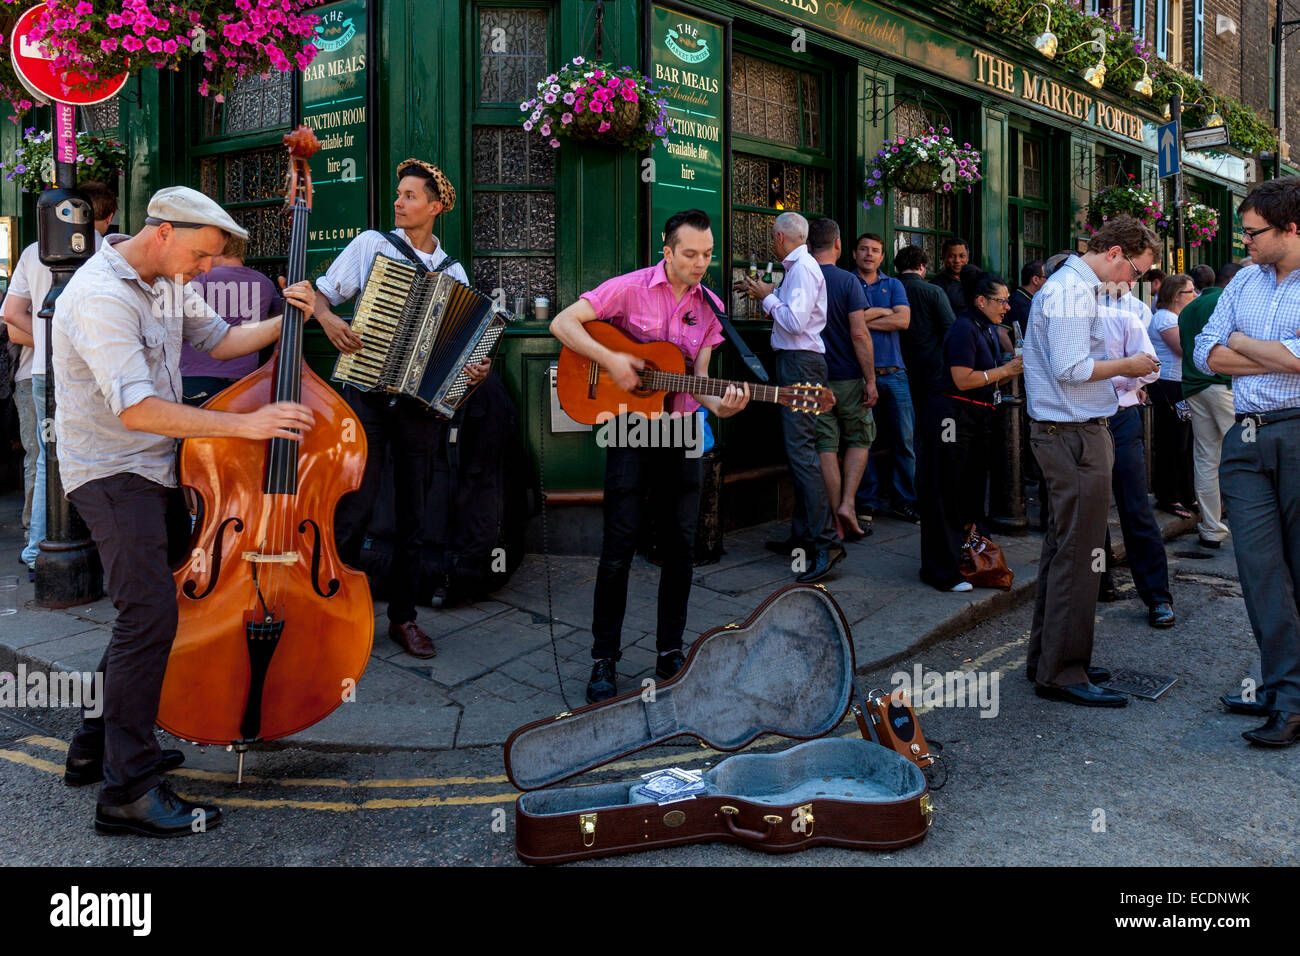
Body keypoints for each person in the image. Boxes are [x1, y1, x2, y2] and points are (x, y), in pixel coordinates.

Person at [54, 186, 318, 836]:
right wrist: (247, 427)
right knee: (148, 617)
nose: (206, 273)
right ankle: (128, 791)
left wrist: (290, 316)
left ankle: (97, 744)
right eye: (201, 257)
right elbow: (137, 409)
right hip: (112, 474)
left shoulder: (165, 278)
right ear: (164, 231)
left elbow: (225, 341)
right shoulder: (101, 296)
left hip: (155, 469)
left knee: (148, 615)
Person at [551, 209, 750, 703]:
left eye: (707, 254)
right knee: (618, 546)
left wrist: (720, 402)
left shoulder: (711, 307)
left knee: (681, 549)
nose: (701, 263)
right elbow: (563, 323)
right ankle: (604, 659)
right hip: (630, 427)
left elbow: (699, 379)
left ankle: (669, 654)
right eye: (690, 254)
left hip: (682, 431)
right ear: (667, 249)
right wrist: (612, 358)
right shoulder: (629, 287)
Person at [313, 158, 487, 660]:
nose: (399, 202)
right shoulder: (372, 244)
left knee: (416, 513)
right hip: (367, 395)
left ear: (434, 207)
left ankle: (404, 619)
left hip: (419, 408)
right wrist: (328, 322)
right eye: (399, 195)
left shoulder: (453, 270)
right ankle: (330, 610)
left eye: (410, 196)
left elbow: (467, 346)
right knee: (355, 505)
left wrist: (474, 369)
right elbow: (319, 296)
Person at [1022, 216, 1160, 708]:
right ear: (1118, 253)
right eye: (1136, 272)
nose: (1133, 283)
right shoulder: (1071, 292)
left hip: (1072, 432)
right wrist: (1130, 366)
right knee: (1079, 556)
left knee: (1066, 549)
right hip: (1073, 435)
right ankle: (1061, 671)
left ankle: (1049, 658)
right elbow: (1072, 369)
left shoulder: (1077, 288)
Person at [1194, 176, 1300, 747]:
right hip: (1247, 437)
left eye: (1255, 232)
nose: (1245, 241)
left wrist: (1242, 344)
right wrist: (1278, 357)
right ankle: (1285, 693)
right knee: (1260, 573)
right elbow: (1205, 351)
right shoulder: (1244, 282)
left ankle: (1291, 695)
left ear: (1292, 227)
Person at [3, 181, 116, 575]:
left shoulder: (34, 252)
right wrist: (64, 344)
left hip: (40, 371)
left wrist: (47, 343)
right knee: (96, 456)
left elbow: (12, 312)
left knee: (48, 459)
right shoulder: (104, 249)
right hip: (88, 370)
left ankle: (37, 547)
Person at [739, 212, 840, 582]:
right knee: (800, 452)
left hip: (801, 364)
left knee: (802, 453)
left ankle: (826, 543)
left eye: (772, 235)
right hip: (799, 363)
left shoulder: (801, 268)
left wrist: (767, 298)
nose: (771, 239)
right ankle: (803, 536)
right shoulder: (801, 267)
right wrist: (761, 292)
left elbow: (795, 322)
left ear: (781, 237)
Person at [917, 273, 1021, 592]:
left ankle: (966, 560)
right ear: (981, 301)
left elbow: (986, 379)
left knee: (968, 494)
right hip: (951, 419)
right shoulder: (964, 328)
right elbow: (963, 379)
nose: (1007, 306)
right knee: (946, 493)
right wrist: (1006, 370)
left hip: (974, 419)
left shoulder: (986, 328)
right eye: (1001, 300)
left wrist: (1010, 369)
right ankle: (941, 572)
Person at [1096, 287, 1175, 628]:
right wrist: (1125, 377)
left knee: (1135, 508)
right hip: (1082, 421)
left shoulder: (1124, 318)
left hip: (1121, 419)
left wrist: (1119, 382)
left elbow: (1151, 368)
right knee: (1089, 510)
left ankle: (1157, 597)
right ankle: (1098, 585)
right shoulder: (1059, 324)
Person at [809, 219, 876, 540]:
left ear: (808, 245)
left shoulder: (800, 278)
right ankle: (849, 503)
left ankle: (834, 519)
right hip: (849, 377)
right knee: (860, 438)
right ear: (838, 245)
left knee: (825, 445)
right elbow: (860, 334)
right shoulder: (849, 282)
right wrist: (871, 379)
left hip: (815, 377)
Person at [850, 232, 916, 525]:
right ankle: (868, 501)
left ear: (882, 256)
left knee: (904, 441)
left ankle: (906, 502)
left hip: (895, 374)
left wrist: (864, 315)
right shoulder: (847, 282)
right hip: (860, 376)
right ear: (854, 253)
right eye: (863, 249)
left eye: (875, 250)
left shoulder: (895, 284)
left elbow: (903, 320)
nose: (869, 254)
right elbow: (844, 321)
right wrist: (882, 312)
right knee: (864, 442)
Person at [1179, 261, 1242, 549]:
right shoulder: (1229, 301)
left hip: (1194, 386)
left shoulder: (1189, 308)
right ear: (1233, 281)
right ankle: (1250, 526)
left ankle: (1211, 529)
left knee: (1206, 458)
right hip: (1223, 385)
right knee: (1246, 456)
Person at [181, 234, 282, 406]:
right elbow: (274, 319)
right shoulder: (265, 282)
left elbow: (176, 327)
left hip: (196, 377)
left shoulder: (198, 279)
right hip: (245, 380)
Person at [1147, 273, 1198, 520]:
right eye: (1191, 291)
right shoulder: (1165, 317)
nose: (1195, 295)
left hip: (1179, 384)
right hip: (1168, 385)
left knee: (1184, 441)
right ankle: (1169, 495)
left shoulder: (1177, 317)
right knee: (1172, 441)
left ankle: (1186, 493)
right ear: (1177, 296)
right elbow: (1184, 349)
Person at [893, 244, 957, 411]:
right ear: (921, 266)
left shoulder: (888, 289)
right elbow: (951, 330)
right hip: (930, 367)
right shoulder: (934, 292)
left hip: (894, 365)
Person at [931, 237, 969, 315]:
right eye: (951, 256)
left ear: (967, 258)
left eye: (962, 256)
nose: (957, 261)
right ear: (943, 257)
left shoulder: (975, 280)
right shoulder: (936, 286)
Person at [1008, 259, 1046, 336]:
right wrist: (1013, 348)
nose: (1049, 280)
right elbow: (1002, 332)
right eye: (1047, 277)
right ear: (1035, 280)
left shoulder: (1035, 299)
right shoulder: (1015, 301)